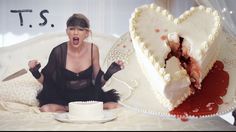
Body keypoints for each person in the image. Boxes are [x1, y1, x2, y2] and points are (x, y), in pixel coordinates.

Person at [28, 13, 124, 113]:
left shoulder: (93, 49)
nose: (75, 33)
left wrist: (109, 73)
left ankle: (79, 109)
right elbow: (46, 81)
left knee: (115, 106)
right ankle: (70, 109)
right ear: (67, 32)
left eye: (80, 29)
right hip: (64, 98)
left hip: (89, 97)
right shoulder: (58, 51)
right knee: (45, 109)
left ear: (87, 33)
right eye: (72, 29)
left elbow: (98, 83)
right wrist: (35, 72)